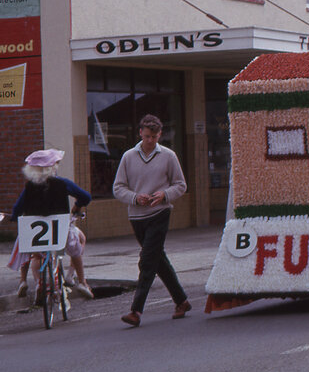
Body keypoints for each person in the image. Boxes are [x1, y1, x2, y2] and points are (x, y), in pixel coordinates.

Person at [113, 114, 191, 326]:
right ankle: (182, 301)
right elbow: (118, 188)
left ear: (160, 135)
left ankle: (136, 311)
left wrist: (164, 195)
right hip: (137, 216)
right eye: (147, 136)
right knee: (158, 260)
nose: (150, 141)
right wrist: (135, 198)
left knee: (147, 261)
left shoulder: (168, 156)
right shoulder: (128, 157)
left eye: (154, 137)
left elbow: (180, 185)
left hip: (160, 213)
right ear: (140, 133)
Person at [10, 149, 94, 303]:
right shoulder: (62, 183)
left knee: (35, 254)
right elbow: (85, 197)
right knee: (75, 249)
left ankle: (34, 283)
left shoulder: (29, 186)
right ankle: (82, 282)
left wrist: (15, 218)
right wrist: (77, 205)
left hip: (34, 230)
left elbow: (17, 208)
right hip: (59, 228)